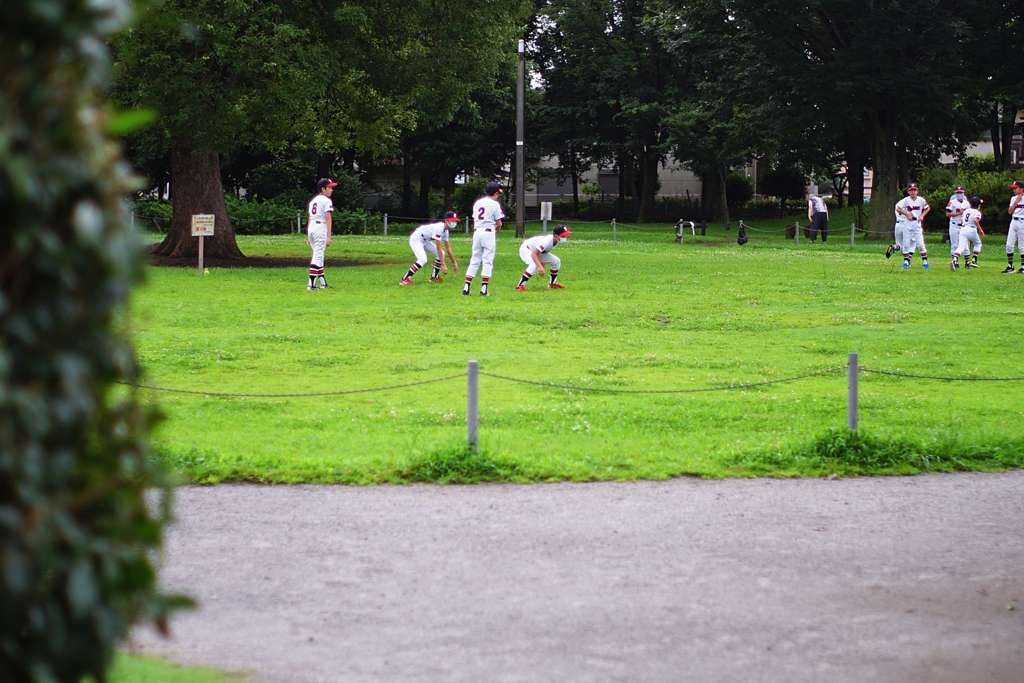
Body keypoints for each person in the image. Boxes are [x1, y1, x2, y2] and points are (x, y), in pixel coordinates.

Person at [463, 181, 505, 296]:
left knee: (475, 259)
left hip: (477, 232)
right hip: (488, 232)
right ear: (496, 193)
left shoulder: (478, 203)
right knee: (487, 260)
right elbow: (499, 223)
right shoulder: (494, 204)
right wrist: (496, 230)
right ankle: (483, 289)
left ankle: (466, 287)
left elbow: (475, 219)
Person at [400, 211, 460, 285]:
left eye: (455, 221)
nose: (455, 223)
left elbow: (448, 248)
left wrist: (454, 263)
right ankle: (405, 279)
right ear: (446, 220)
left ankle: (434, 277)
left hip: (425, 240)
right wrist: (443, 265)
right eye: (453, 221)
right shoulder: (439, 228)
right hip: (417, 238)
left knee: (442, 253)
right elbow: (438, 248)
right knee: (423, 259)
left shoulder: (445, 231)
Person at [515, 225, 572, 291]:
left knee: (556, 261)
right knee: (534, 265)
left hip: (534, 250)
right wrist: (539, 266)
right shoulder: (547, 241)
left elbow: (543, 251)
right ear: (556, 236)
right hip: (526, 249)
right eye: (563, 236)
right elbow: (534, 254)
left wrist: (543, 262)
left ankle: (552, 284)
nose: (564, 238)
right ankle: (520, 286)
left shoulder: (555, 240)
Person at [306, 178, 335, 290]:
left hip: (312, 227)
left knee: (319, 255)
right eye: (329, 187)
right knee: (317, 256)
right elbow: (328, 218)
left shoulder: (313, 200)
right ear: (323, 189)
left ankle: (322, 282)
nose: (331, 190)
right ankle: (311, 284)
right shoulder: (326, 200)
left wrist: (308, 234)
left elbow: (310, 217)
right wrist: (328, 236)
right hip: (320, 228)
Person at [894, 183, 931, 270]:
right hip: (908, 222)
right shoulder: (906, 200)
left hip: (917, 222)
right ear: (908, 191)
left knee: (920, 243)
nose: (913, 192)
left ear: (917, 191)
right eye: (911, 190)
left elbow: (927, 208)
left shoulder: (921, 200)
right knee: (906, 243)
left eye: (914, 190)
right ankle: (906, 262)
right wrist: (907, 214)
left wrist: (922, 215)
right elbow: (898, 208)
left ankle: (925, 262)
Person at [951, 196, 984, 271]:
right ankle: (974, 260)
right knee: (978, 244)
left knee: (961, 247)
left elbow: (962, 220)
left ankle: (955, 259)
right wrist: (980, 229)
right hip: (971, 229)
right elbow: (975, 220)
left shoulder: (966, 211)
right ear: (978, 205)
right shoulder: (977, 212)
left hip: (963, 229)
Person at [1003, 180, 1024, 274]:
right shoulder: (1013, 198)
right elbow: (1010, 211)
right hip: (1013, 221)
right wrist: (1016, 201)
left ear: (1022, 189)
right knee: (1009, 245)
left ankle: (1023, 266)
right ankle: (1010, 266)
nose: (1014, 190)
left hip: (1022, 222)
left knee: (1022, 246)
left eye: (1016, 188)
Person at [945, 185, 971, 258]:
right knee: (955, 244)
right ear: (955, 193)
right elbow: (947, 214)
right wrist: (958, 213)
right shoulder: (952, 202)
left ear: (963, 193)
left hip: (964, 225)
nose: (959, 194)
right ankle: (954, 261)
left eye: (961, 192)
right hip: (954, 224)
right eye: (958, 192)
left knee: (966, 244)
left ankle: (967, 261)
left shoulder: (966, 203)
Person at [885, 188, 909, 259]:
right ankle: (907, 260)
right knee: (909, 244)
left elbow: (896, 214)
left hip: (898, 224)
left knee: (899, 244)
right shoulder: (910, 203)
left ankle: (894, 247)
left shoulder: (898, 203)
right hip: (907, 224)